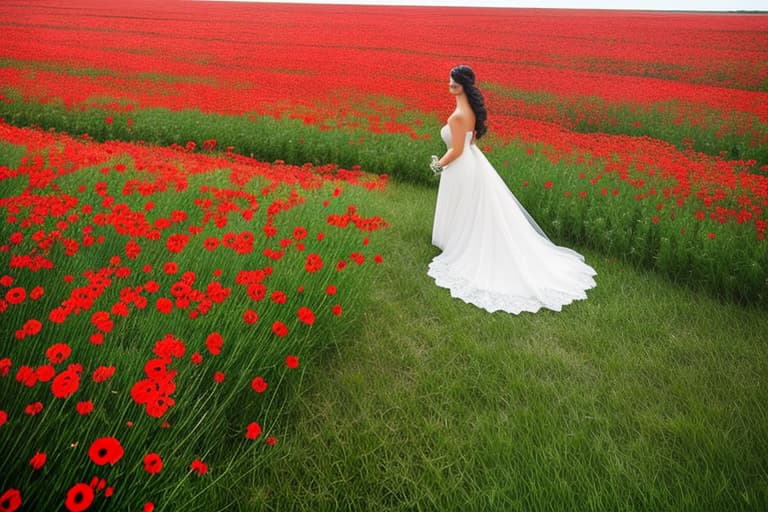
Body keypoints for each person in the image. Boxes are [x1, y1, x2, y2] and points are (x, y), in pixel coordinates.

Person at [428, 65, 597, 314]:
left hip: (462, 165)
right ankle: (457, 240)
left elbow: (457, 150)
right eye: (449, 81)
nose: (449, 85)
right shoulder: (470, 111)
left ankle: (461, 245)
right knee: (470, 207)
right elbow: (471, 141)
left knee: (464, 206)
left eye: (453, 83)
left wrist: (438, 164)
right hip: (472, 163)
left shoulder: (457, 116)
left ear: (462, 86)